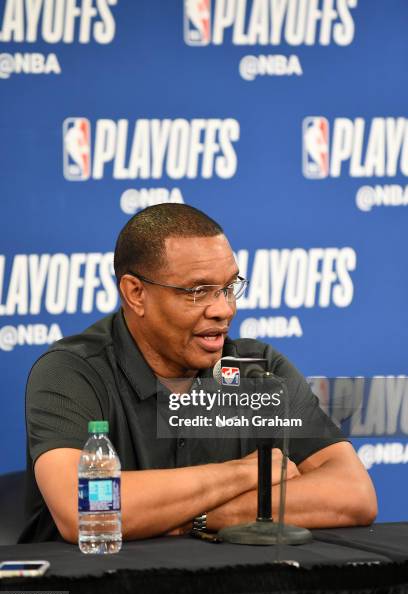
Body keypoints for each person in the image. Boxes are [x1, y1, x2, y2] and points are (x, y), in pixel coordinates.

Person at [20, 203, 377, 543]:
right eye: (198, 291)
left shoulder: (259, 371)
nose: (223, 309)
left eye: (228, 288)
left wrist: (198, 517)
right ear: (136, 293)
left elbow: (354, 493)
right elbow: (83, 510)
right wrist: (245, 473)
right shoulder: (71, 372)